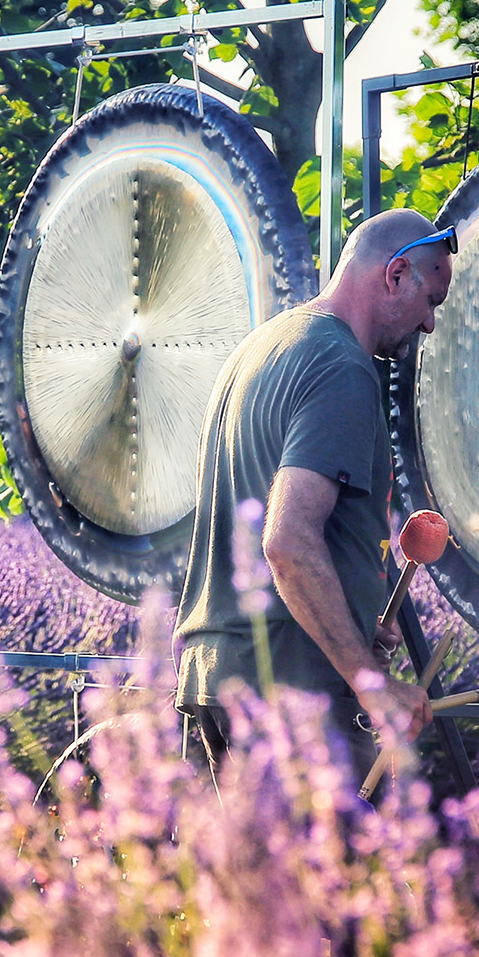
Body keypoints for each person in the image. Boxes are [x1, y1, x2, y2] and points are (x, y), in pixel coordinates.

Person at [174, 209, 454, 785]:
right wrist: (370, 683)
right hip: (288, 700)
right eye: (432, 301)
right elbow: (288, 542)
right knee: (333, 876)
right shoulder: (342, 371)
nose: (429, 325)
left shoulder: (260, 350)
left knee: (237, 879)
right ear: (395, 274)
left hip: (217, 673)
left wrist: (348, 622)